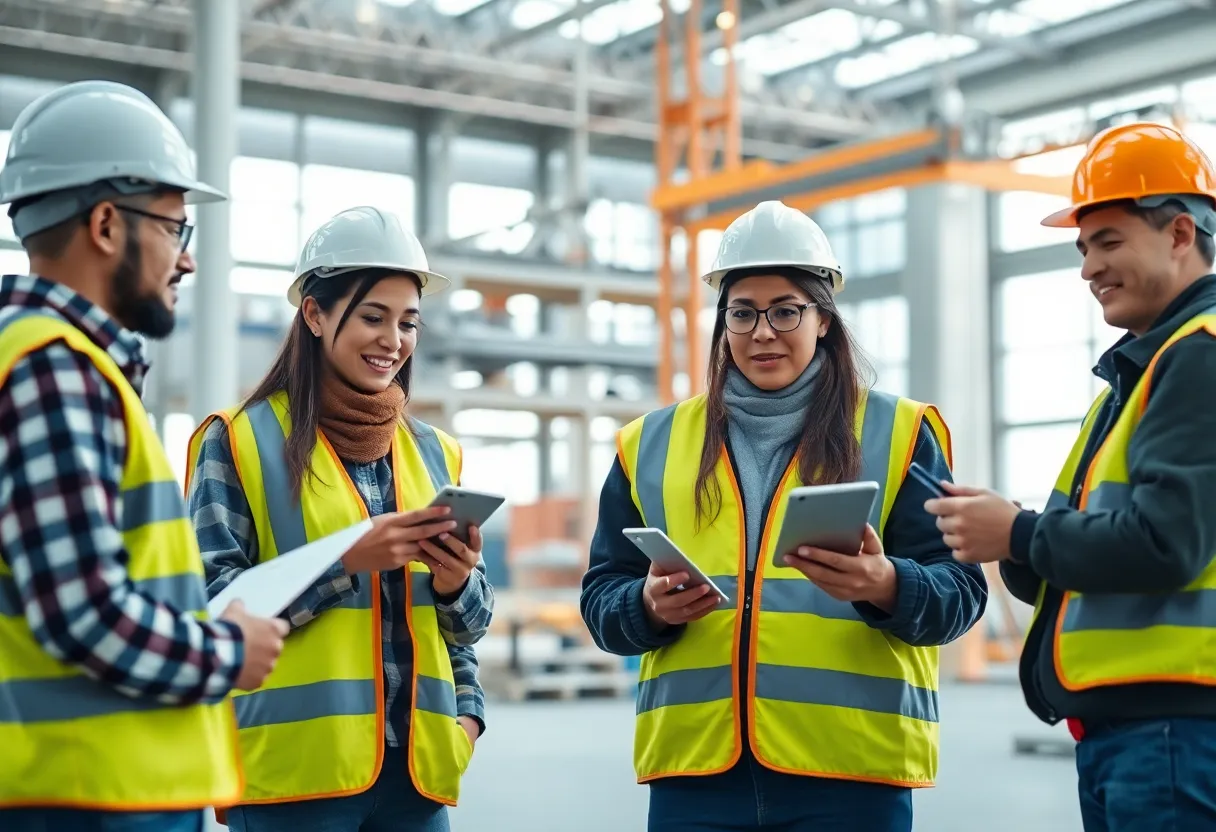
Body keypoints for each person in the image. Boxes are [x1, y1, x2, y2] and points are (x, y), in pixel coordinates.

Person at [580, 200, 988, 832]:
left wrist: (887, 585)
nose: (762, 332)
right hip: (697, 776)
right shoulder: (650, 444)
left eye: (785, 311)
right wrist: (648, 607)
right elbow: (602, 599)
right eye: (742, 313)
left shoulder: (898, 433)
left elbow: (961, 593)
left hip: (850, 776)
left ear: (823, 318)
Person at [0, 81, 288, 832]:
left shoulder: (50, 365)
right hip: (86, 800)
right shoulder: (53, 370)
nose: (184, 262)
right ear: (105, 224)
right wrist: (227, 652)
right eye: (175, 229)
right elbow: (84, 611)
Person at [923, 121, 1216, 831]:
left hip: (1175, 729)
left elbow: (1166, 544)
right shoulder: (1136, 376)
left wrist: (1018, 532)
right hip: (1136, 730)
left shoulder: (1198, 356)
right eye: (1084, 248)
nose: (1088, 267)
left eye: (1108, 241)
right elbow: (1071, 562)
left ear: (1180, 234)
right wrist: (1007, 536)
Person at [185, 205, 494, 832]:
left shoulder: (436, 451)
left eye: (408, 322)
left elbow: (466, 629)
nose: (393, 340)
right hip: (293, 781)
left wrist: (467, 714)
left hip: (416, 778)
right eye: (373, 317)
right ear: (315, 314)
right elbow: (214, 608)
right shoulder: (238, 441)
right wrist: (346, 562)